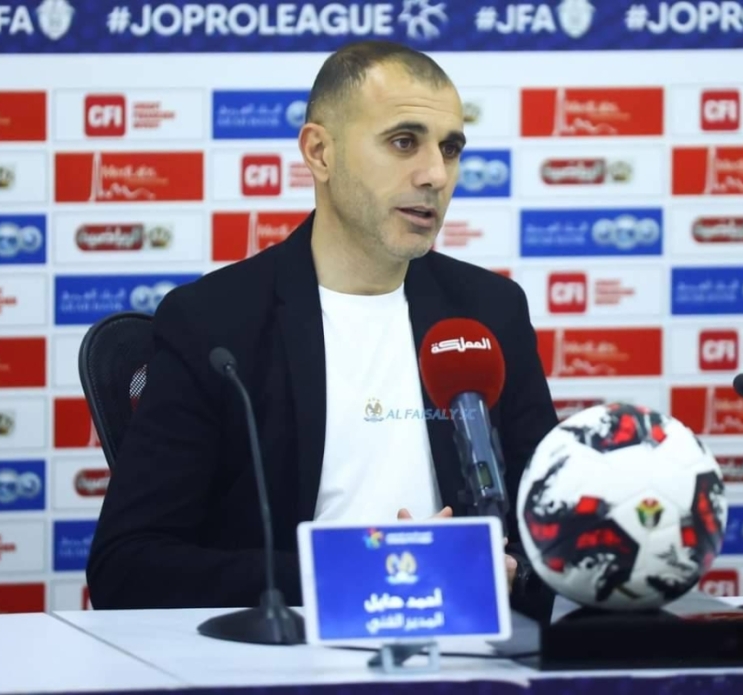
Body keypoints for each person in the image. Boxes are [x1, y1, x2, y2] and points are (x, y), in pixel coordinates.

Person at [86, 40, 559, 622]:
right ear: (320, 152)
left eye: (450, 148)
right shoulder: (214, 322)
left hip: (464, 645)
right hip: (285, 654)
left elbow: (552, 530)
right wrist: (355, 570)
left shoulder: (489, 312)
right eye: (403, 142)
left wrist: (514, 573)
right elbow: (127, 568)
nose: (436, 175)